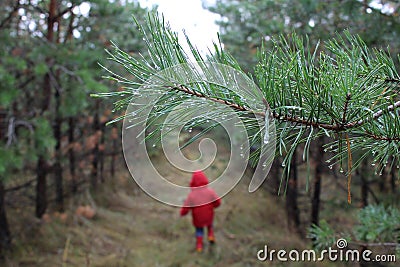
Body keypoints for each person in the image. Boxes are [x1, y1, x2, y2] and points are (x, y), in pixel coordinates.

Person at [180, 170, 221, 252]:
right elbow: (218, 202)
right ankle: (210, 235)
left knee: (199, 230)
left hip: (198, 218)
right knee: (210, 225)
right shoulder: (210, 191)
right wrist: (214, 207)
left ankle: (199, 245)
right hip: (209, 215)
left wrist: (182, 213)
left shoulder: (192, 195)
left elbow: (186, 207)